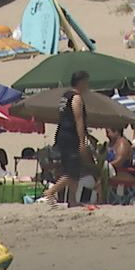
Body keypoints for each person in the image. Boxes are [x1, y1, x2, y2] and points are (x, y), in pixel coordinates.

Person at [44, 70, 90, 206]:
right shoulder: (76, 98)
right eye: (86, 82)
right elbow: (79, 120)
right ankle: (51, 192)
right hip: (70, 137)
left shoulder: (65, 96)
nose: (88, 85)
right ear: (81, 82)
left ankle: (72, 200)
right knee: (72, 171)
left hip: (62, 135)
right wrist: (82, 141)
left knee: (73, 169)